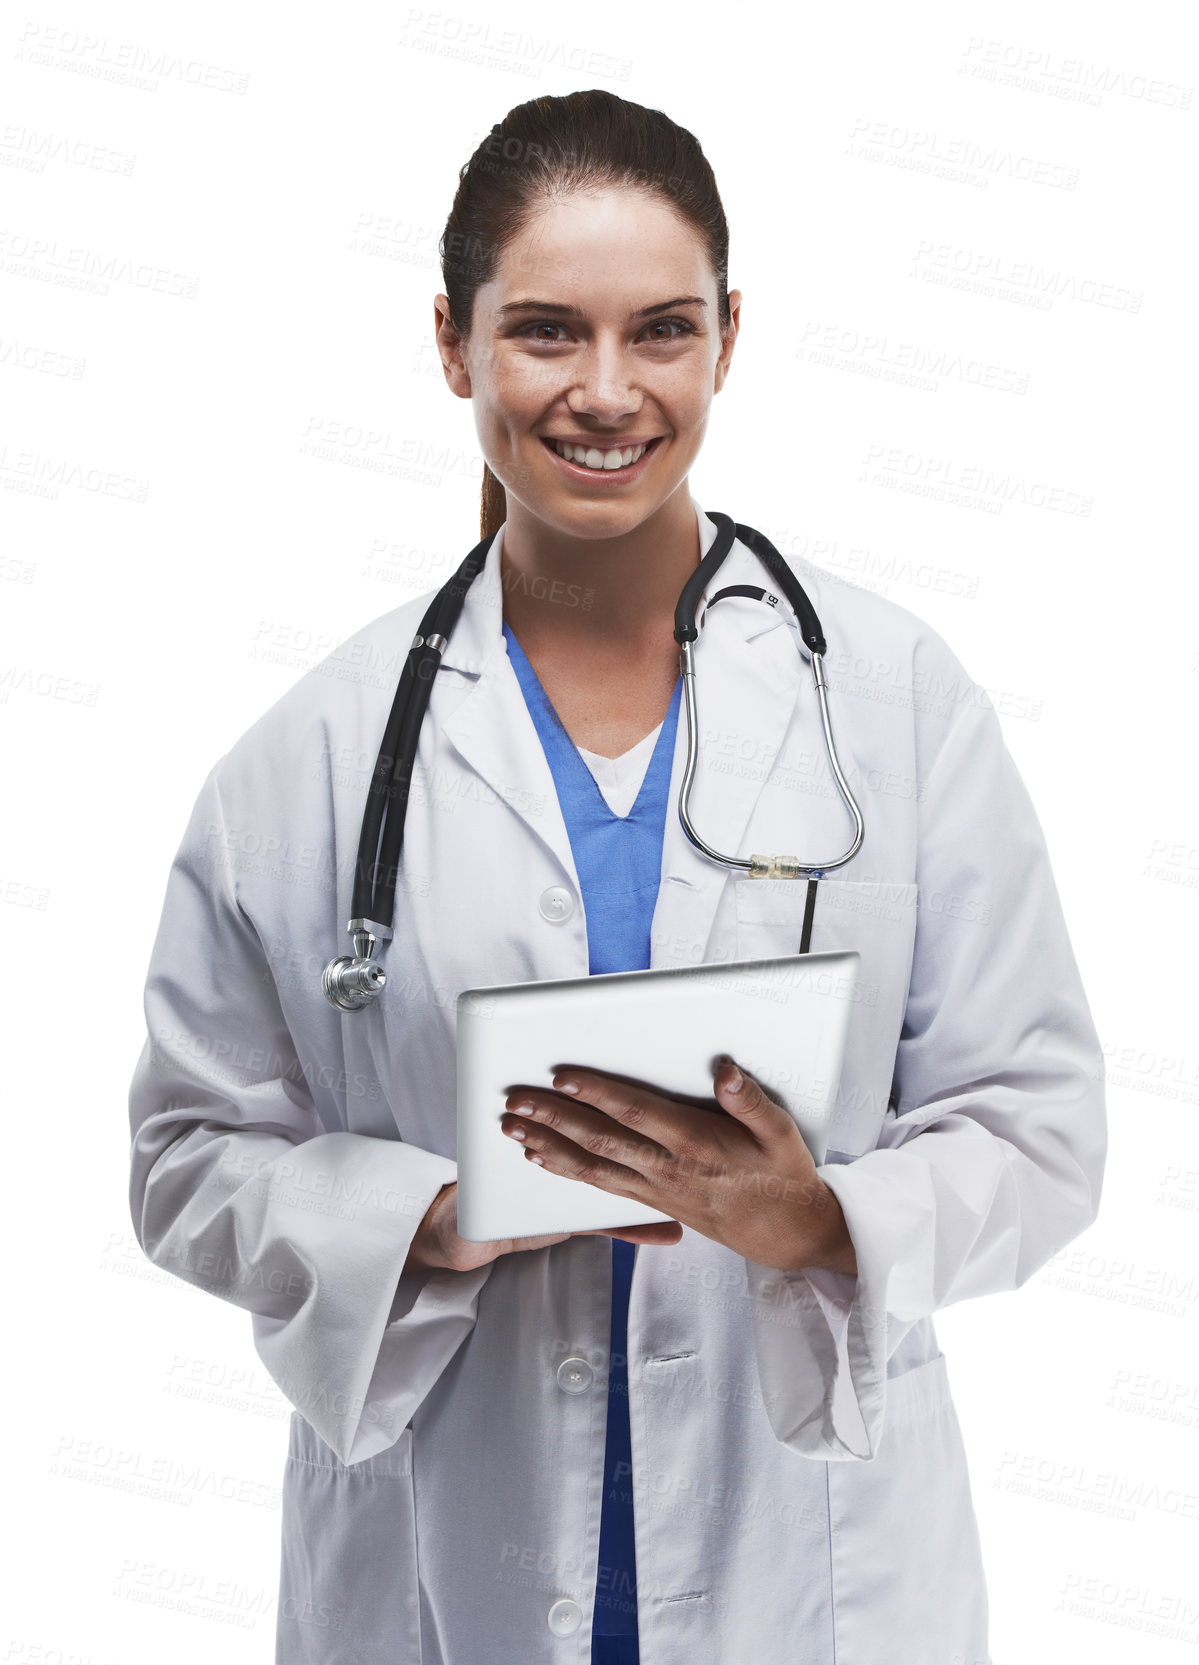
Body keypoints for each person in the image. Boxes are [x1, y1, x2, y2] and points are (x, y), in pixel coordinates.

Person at [127, 89, 1107, 1665]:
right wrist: (422, 1214)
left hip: (819, 1571)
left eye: (661, 329)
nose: (606, 391)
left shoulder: (893, 704)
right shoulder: (308, 758)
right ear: (453, 344)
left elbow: (1041, 1122)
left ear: (730, 338)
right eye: (543, 333)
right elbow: (185, 1154)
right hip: (443, 1563)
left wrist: (824, 1220)